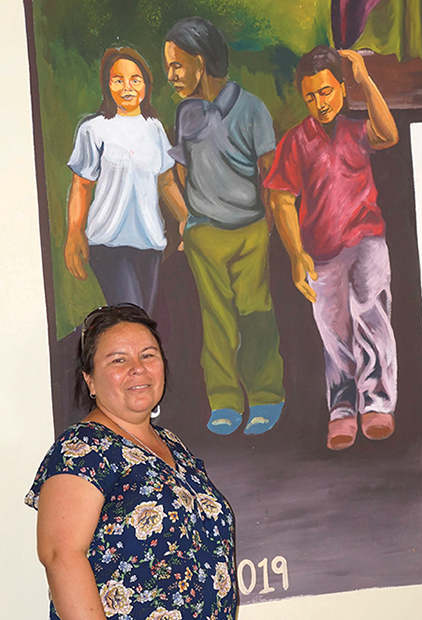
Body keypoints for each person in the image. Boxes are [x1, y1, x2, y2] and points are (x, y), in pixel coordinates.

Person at [25, 303, 237, 620]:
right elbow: (60, 555)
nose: (137, 368)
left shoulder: (174, 446)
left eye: (148, 355)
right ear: (90, 380)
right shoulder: (83, 447)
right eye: (118, 360)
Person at [264, 46, 399, 450]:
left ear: (341, 89)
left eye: (326, 92)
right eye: (311, 96)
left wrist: (365, 79)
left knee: (370, 314)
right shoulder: (295, 141)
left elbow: (389, 134)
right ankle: (342, 409)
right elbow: (281, 198)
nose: (320, 103)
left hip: (366, 239)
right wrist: (295, 253)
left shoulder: (358, 130)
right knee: (333, 328)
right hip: (320, 251)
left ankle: (377, 402)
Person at [163, 17, 285, 436]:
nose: (171, 76)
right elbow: (179, 169)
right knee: (216, 322)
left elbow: (270, 172)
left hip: (250, 230)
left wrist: (267, 226)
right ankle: (226, 402)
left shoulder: (251, 107)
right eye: (168, 68)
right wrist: (188, 220)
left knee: (256, 315)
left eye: (177, 66)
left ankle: (267, 396)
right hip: (204, 234)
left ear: (200, 62)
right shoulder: (185, 111)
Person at [64, 47, 188, 314]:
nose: (127, 87)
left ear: (145, 84)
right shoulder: (93, 129)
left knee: (143, 319)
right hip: (108, 243)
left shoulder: (154, 128)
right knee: (134, 317)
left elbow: (165, 182)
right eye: (118, 80)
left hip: (150, 243)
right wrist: (75, 232)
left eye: (135, 79)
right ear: (108, 85)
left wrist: (185, 218)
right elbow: (81, 185)